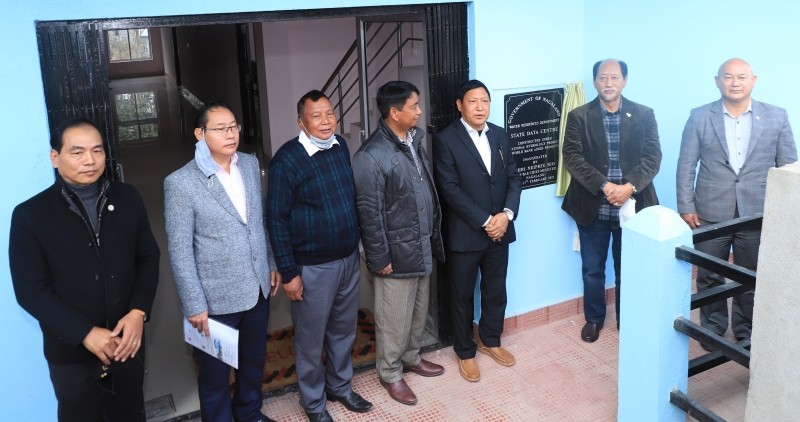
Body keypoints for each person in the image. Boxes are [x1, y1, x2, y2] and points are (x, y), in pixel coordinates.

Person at [9, 117, 160, 421]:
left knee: (130, 413)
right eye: (77, 152)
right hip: (71, 352)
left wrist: (137, 312)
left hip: (125, 342)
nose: (90, 161)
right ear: (55, 157)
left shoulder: (127, 197)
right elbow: (30, 291)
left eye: (97, 151)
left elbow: (148, 257)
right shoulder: (30, 215)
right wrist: (85, 333)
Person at [164, 101, 280, 422]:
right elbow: (180, 249)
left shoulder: (249, 164)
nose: (230, 134)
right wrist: (193, 304)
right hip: (214, 303)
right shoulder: (181, 183)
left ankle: (250, 413)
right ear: (200, 134)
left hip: (257, 289)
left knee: (253, 364)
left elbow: (258, 223)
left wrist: (269, 263)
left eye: (233, 127)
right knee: (215, 377)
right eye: (220, 128)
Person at [266, 90, 372, 422]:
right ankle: (313, 404)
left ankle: (340, 386)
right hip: (312, 269)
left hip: (347, 260)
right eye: (317, 116)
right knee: (311, 342)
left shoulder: (340, 145)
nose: (326, 121)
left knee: (344, 331)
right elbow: (276, 219)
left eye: (330, 113)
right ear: (301, 122)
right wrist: (289, 271)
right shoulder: (286, 160)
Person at [676, 58, 796, 345]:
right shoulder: (699, 116)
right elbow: (686, 165)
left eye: (741, 76)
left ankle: (746, 333)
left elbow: (789, 168)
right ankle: (713, 330)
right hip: (708, 213)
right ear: (717, 81)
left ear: (753, 80)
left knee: (750, 278)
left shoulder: (777, 117)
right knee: (708, 276)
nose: (735, 82)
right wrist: (686, 205)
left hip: (757, 213)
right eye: (728, 76)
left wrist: (784, 212)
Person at [352, 81, 446, 405]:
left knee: (418, 312)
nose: (419, 111)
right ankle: (391, 373)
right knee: (393, 318)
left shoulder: (412, 140)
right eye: (414, 106)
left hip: (419, 244)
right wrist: (379, 258)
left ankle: (412, 356)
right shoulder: (371, 155)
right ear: (395, 112)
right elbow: (369, 214)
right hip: (394, 252)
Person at [561, 59, 662, 343]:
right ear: (595, 81)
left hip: (633, 206)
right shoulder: (579, 116)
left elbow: (653, 158)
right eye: (603, 78)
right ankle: (594, 320)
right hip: (593, 207)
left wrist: (629, 187)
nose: (608, 83)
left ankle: (626, 319)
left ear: (625, 80)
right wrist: (605, 186)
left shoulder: (644, 114)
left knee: (627, 269)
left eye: (614, 77)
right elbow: (572, 157)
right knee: (593, 270)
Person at [433, 79, 522, 383]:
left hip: (501, 230)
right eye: (473, 101)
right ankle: (465, 351)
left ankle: (490, 339)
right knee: (461, 295)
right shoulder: (446, 140)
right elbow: (450, 189)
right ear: (460, 105)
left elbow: (513, 177)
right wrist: (486, 220)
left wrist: (506, 216)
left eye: (485, 101)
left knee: (496, 289)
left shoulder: (500, 134)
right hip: (467, 233)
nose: (480, 107)